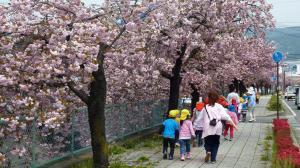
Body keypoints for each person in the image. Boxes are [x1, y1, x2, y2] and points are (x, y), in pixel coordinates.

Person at [199, 90, 238, 164]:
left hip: (208, 127)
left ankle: (208, 151)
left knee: (207, 141)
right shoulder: (219, 106)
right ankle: (213, 159)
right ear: (217, 98)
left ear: (209, 98)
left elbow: (199, 119)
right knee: (216, 142)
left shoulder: (205, 108)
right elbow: (225, 116)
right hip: (217, 127)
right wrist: (233, 124)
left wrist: (195, 127)